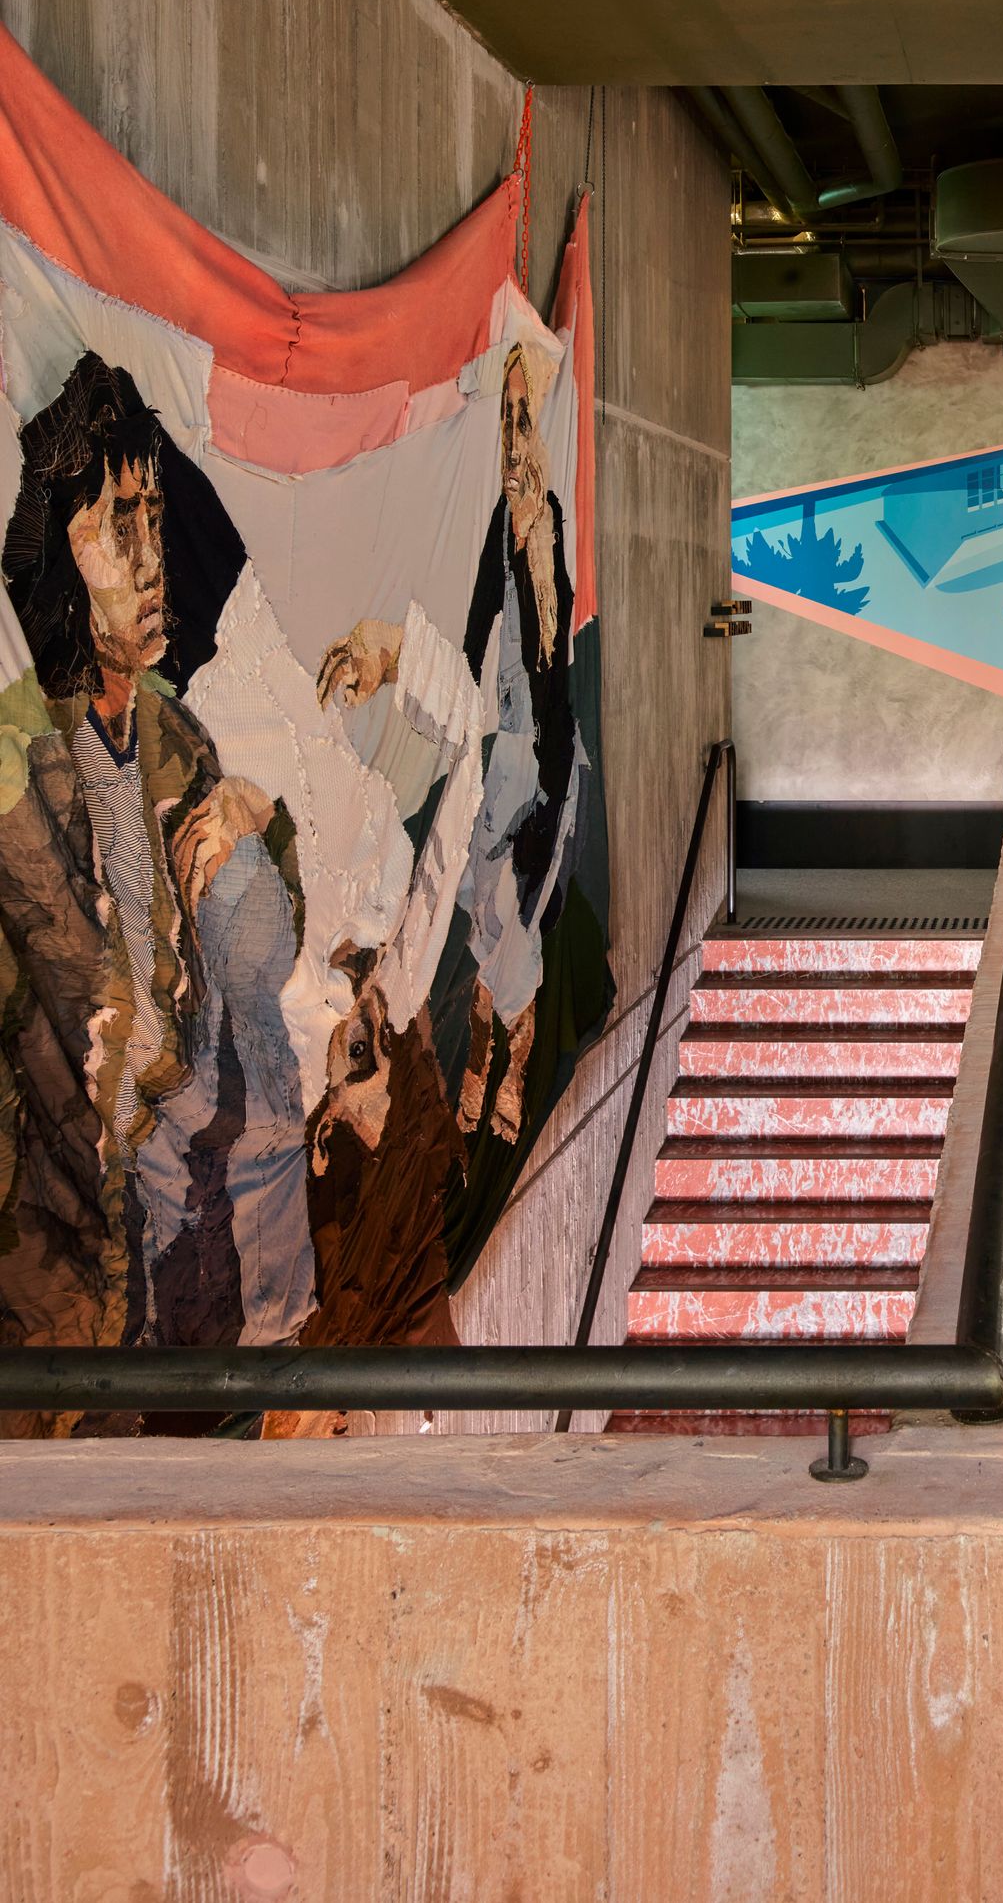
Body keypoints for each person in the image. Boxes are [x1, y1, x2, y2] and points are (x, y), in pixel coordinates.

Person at [0, 352, 308, 1360]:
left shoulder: (177, 738)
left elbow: (267, 954)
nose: (148, 557)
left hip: (181, 1253)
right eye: (113, 524)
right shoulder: (16, 753)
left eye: (152, 517)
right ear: (57, 550)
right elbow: (101, 1022)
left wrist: (260, 820)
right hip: (64, 1273)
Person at [319, 340, 580, 1147]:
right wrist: (423, 670)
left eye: (520, 418)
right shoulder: (500, 526)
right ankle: (489, 1057)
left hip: (530, 760)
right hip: (493, 743)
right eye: (504, 420)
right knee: (477, 910)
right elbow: (473, 630)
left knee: (506, 925)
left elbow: (550, 638)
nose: (511, 437)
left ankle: (509, 1060)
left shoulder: (543, 528)